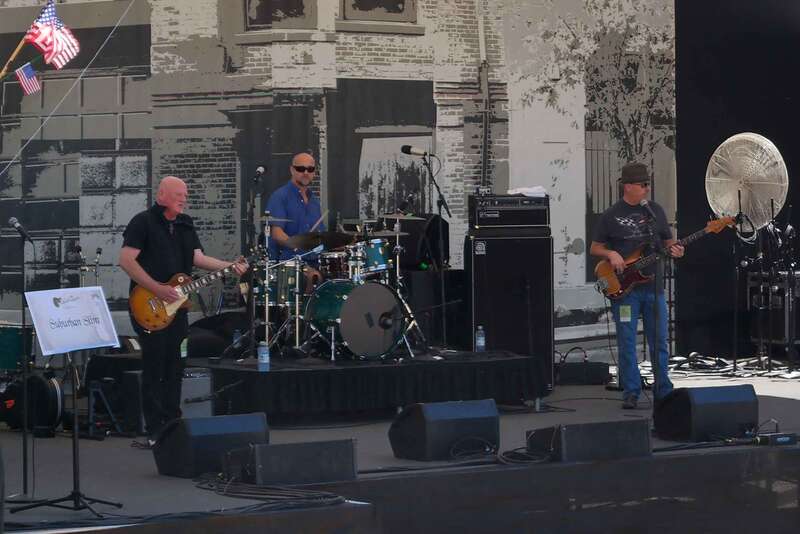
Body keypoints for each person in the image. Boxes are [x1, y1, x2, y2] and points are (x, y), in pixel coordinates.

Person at [119, 176, 247, 444]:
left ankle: (173, 422)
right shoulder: (142, 222)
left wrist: (229, 265)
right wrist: (156, 288)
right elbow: (126, 261)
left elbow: (197, 259)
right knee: (155, 366)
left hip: (177, 307)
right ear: (162, 194)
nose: (183, 198)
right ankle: (154, 428)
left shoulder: (185, 225)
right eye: (178, 194)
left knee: (176, 365)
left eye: (185, 195)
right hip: (148, 303)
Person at [589, 162, 684, 410]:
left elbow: (669, 242)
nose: (646, 188)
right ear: (628, 186)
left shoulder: (655, 212)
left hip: (654, 287)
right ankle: (630, 391)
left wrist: (676, 251)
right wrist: (611, 254)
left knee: (660, 341)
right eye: (642, 184)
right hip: (624, 291)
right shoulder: (611, 215)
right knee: (627, 340)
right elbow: (594, 247)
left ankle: (664, 389)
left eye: (647, 184)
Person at [265, 152, 324, 284]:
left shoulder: (314, 201)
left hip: (314, 260)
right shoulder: (280, 197)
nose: (306, 172)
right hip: (289, 262)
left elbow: (320, 235)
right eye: (300, 169)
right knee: (313, 277)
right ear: (292, 170)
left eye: (310, 169)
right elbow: (277, 233)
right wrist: (298, 245)